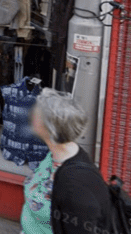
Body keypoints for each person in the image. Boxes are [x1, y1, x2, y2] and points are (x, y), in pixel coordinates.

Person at [28, 89, 112, 234]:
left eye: (37, 114)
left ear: (50, 128)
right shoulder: (54, 155)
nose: (31, 115)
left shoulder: (76, 186)